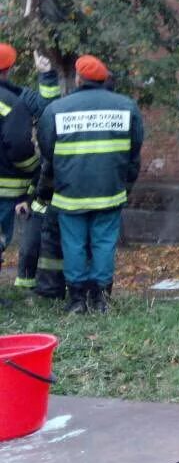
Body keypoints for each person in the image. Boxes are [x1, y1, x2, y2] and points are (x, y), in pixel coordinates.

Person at [36, 55, 143, 313]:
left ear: (78, 78)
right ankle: (101, 299)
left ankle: (77, 300)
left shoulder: (57, 109)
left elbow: (47, 151)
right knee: (104, 244)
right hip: (109, 192)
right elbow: (134, 151)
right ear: (104, 79)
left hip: (70, 194)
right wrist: (124, 186)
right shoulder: (126, 107)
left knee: (73, 244)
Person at [0, 44, 60, 282]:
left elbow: (45, 108)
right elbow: (19, 146)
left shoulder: (14, 95)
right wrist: (33, 169)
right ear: (8, 68)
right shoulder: (11, 102)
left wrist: (46, 76)